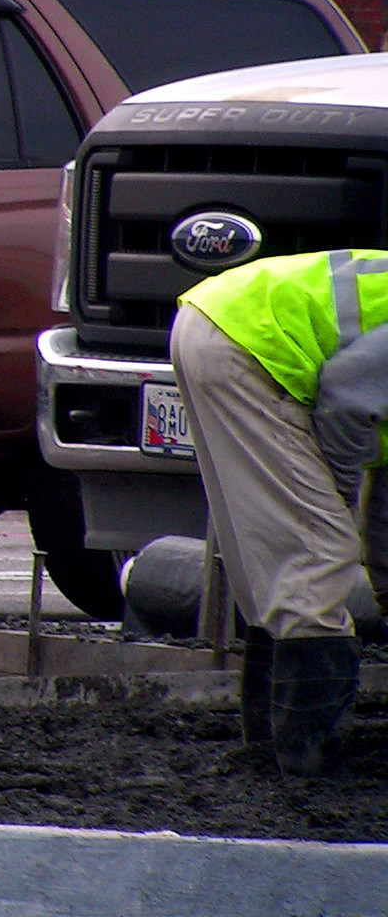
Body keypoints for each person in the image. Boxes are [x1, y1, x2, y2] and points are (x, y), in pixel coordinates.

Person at [171, 249, 388, 777]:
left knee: (272, 567)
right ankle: (309, 770)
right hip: (253, 345)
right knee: (317, 556)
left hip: (223, 324)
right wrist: (333, 503)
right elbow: (348, 400)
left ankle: (268, 756)